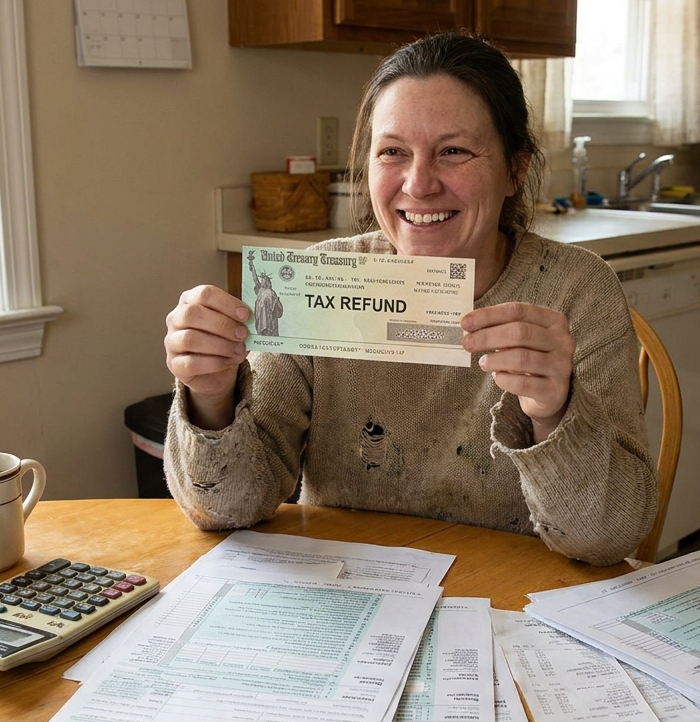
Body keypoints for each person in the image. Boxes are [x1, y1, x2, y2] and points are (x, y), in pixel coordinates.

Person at [162, 30, 657, 566]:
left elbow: (606, 537)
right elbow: (228, 510)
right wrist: (210, 397)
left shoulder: (575, 291)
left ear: (516, 170)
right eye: (393, 151)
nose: (419, 185)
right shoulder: (322, 282)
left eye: (454, 152)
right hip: (348, 598)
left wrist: (552, 413)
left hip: (518, 605)